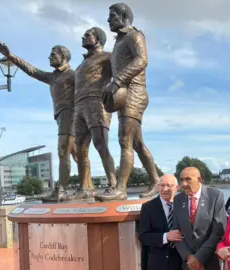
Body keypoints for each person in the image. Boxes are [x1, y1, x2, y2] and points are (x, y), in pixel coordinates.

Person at [0, 39, 77, 202]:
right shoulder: (52, 77)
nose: (49, 57)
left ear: (63, 56)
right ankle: (86, 187)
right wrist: (10, 56)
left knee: (62, 151)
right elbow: (31, 70)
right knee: (76, 154)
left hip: (71, 114)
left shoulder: (73, 75)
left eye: (53, 55)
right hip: (60, 116)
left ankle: (61, 190)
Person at [97, 2, 161, 201]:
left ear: (123, 17)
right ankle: (156, 181)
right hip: (124, 94)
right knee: (137, 143)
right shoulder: (118, 42)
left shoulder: (135, 35)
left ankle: (121, 189)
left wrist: (117, 81)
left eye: (112, 16)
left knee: (125, 140)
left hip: (134, 93)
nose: (108, 20)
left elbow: (142, 60)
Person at [67, 27, 116, 201]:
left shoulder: (108, 57)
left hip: (97, 103)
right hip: (79, 107)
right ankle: (84, 188)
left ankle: (113, 185)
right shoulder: (81, 65)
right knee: (79, 148)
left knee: (100, 144)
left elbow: (122, 74)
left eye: (87, 35)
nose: (83, 37)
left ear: (98, 39)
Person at [173, 167, 227, 270]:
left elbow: (218, 232)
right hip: (188, 263)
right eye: (182, 180)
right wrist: (188, 257)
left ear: (199, 179)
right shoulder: (178, 199)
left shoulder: (215, 196)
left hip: (209, 260)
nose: (184, 184)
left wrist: (199, 258)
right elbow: (176, 233)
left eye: (188, 179)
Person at [138, 174, 183, 270]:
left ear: (177, 188)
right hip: (159, 264)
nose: (165, 189)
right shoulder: (148, 207)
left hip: (182, 262)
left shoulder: (184, 205)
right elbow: (143, 237)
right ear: (158, 187)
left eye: (169, 185)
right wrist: (166, 237)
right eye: (162, 185)